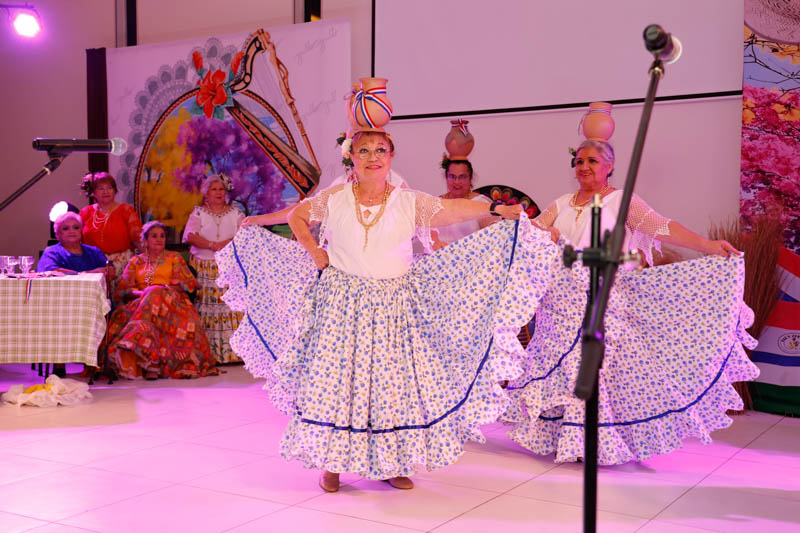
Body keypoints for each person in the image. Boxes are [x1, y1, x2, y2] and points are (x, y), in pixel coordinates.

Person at [217, 125, 532, 493]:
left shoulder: (407, 200)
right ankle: (332, 465)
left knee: (389, 386)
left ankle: (389, 463)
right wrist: (314, 250)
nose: (372, 158)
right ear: (353, 157)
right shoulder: (335, 198)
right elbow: (297, 217)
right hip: (342, 304)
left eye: (379, 151)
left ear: (390, 157)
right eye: (364, 151)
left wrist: (495, 208)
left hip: (391, 307)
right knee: (338, 385)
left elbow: (450, 209)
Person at [504, 139, 760, 465]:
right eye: (579, 161)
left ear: (609, 166)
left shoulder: (622, 201)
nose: (584, 167)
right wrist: (542, 234)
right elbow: (529, 235)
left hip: (602, 301)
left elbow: (663, 227)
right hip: (559, 307)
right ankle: (567, 439)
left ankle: (593, 442)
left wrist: (707, 245)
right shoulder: (563, 203)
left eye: (592, 161)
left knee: (592, 370)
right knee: (564, 373)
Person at [105, 221, 218, 380]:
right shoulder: (136, 261)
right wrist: (145, 293)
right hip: (142, 302)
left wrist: (162, 290)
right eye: (154, 236)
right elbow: (123, 290)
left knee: (159, 294)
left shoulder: (174, 257)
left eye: (162, 236)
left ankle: (148, 359)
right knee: (148, 298)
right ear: (145, 240)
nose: (159, 239)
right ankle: (150, 363)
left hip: (172, 302)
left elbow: (189, 284)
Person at [182, 175, 245, 363]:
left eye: (221, 189)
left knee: (229, 307)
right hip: (204, 266)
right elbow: (190, 236)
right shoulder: (199, 213)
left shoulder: (235, 213)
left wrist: (226, 243)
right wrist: (211, 244)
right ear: (206, 194)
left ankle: (233, 354)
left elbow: (245, 236)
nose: (219, 193)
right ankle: (208, 353)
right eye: (214, 190)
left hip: (228, 267)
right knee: (207, 308)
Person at [79, 172, 143, 300]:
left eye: (109, 188)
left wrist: (149, 261)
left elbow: (138, 239)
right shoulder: (85, 213)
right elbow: (77, 240)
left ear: (115, 190)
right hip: (94, 264)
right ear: (93, 192)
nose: (105, 192)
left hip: (122, 264)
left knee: (120, 302)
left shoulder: (126, 210)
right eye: (100, 188)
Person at [431, 157, 495, 250]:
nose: (457, 182)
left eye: (462, 177)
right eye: (452, 176)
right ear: (446, 177)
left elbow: (494, 237)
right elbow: (428, 238)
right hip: (439, 261)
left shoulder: (481, 203)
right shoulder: (435, 204)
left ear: (470, 178)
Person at [38, 212, 111, 276]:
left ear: (81, 231)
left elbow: (110, 271)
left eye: (76, 227)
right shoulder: (51, 252)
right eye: (66, 228)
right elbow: (50, 273)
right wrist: (85, 274)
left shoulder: (94, 251)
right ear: (57, 234)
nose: (71, 231)